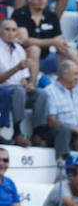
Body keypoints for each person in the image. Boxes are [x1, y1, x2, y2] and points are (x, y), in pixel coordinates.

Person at [0, 18, 46, 148]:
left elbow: (23, 77)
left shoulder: (19, 49)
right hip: (4, 89)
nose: (10, 33)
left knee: (41, 93)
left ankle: (37, 133)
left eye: (13, 30)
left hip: (18, 88)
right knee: (18, 91)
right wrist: (16, 68)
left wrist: (28, 84)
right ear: (0, 31)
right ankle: (17, 132)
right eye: (7, 29)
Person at [13, 0, 75, 79]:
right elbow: (25, 41)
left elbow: (58, 37)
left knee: (71, 53)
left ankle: (69, 89)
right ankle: (32, 87)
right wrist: (53, 42)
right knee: (34, 49)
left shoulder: (51, 16)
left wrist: (62, 44)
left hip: (47, 57)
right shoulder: (20, 14)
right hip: (23, 58)